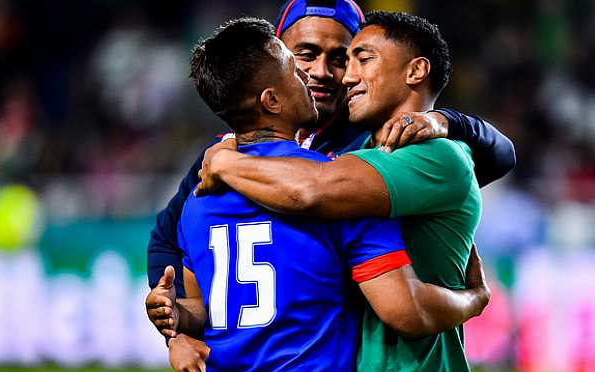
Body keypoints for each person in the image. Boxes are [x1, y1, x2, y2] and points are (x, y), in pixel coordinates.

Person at [175, 17, 489, 372]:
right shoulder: (349, 177)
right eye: (296, 64)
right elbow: (404, 308)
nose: (342, 75)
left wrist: (227, 162)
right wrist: (475, 298)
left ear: (415, 71)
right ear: (271, 98)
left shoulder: (202, 197)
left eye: (361, 58)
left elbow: (311, 191)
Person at [145, 0, 514, 304]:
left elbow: (498, 156)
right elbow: (166, 237)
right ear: (277, 57)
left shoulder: (377, 138)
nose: (321, 72)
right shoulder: (232, 150)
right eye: (304, 55)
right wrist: (179, 333)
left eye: (341, 58)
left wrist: (444, 120)